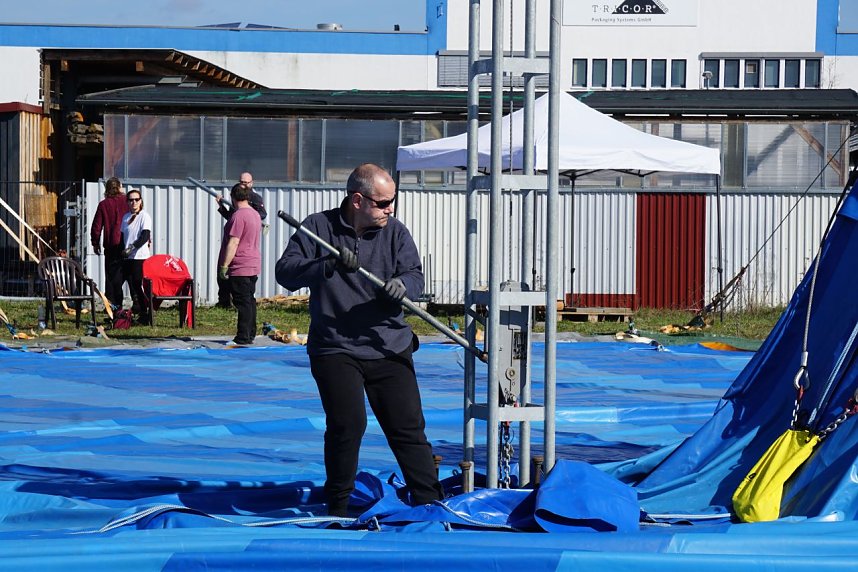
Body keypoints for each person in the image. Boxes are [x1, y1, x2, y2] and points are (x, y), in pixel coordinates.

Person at [275, 163, 444, 517]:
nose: (390, 209)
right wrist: (326, 264)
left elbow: (415, 275)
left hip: (388, 343)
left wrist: (403, 286)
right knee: (348, 424)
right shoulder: (318, 228)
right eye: (383, 203)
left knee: (407, 427)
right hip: (335, 347)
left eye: (393, 201)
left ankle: (431, 503)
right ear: (357, 200)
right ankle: (338, 508)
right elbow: (285, 272)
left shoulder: (395, 232)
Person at [217, 183, 262, 345]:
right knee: (249, 299)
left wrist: (224, 265)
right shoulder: (255, 214)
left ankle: (243, 336)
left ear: (233, 197)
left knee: (242, 301)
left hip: (240, 264)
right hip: (253, 262)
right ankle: (250, 333)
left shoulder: (238, 216)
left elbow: (234, 242)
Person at [214, 172, 267, 309]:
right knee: (245, 299)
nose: (243, 185)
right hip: (245, 257)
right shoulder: (239, 212)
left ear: (251, 183)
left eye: (246, 182)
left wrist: (247, 211)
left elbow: (234, 241)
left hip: (242, 259)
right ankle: (224, 301)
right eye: (241, 182)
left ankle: (243, 323)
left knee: (244, 300)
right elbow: (232, 217)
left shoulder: (254, 201)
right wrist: (222, 207)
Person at [90, 177, 130, 308]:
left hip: (112, 245)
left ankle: (113, 306)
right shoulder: (128, 201)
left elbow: (96, 226)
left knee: (111, 277)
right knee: (130, 274)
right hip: (128, 244)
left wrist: (95, 243)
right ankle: (138, 306)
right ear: (119, 187)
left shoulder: (104, 204)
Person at [119, 189, 153, 325]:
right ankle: (121, 311)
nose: (134, 202)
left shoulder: (144, 216)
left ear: (140, 201)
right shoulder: (125, 217)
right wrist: (122, 250)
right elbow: (122, 237)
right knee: (126, 284)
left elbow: (145, 236)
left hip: (140, 257)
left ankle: (145, 314)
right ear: (127, 202)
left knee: (139, 285)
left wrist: (132, 248)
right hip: (127, 258)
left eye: (136, 199)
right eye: (131, 200)